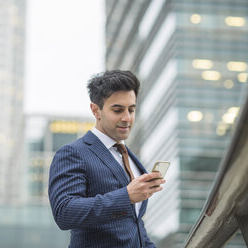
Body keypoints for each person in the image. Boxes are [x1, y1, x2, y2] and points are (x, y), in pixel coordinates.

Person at [48, 70, 166, 247]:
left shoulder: (130, 158)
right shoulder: (73, 153)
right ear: (96, 110)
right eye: (118, 110)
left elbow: (134, 227)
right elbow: (64, 212)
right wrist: (126, 196)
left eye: (131, 110)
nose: (127, 118)